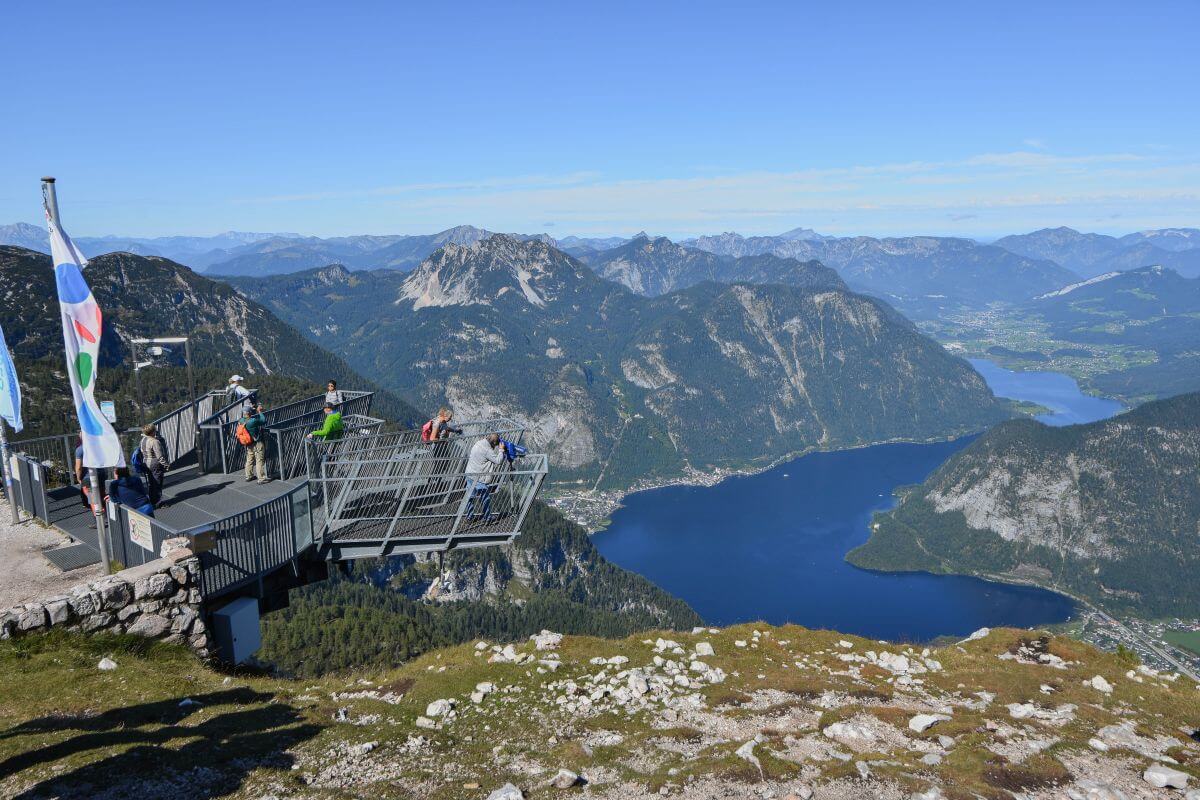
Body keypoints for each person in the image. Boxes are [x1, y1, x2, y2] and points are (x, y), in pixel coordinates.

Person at [463, 433, 505, 521]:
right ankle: (487, 518)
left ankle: (469, 516)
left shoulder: (478, 443)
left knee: (470, 497)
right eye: (496, 444)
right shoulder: (487, 450)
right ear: (493, 443)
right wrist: (501, 450)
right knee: (485, 497)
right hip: (479, 477)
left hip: (470, 473)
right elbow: (498, 461)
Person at [239, 403, 270, 484]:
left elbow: (246, 416)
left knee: (249, 459)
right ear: (250, 413)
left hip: (248, 443)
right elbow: (263, 420)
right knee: (259, 460)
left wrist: (251, 409)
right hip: (257, 443)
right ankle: (261, 479)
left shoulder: (241, 421)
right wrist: (259, 411)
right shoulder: (253, 421)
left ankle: (249, 476)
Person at [139, 423, 168, 508]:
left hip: (146, 463)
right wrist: (166, 465)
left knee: (151, 483)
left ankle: (152, 501)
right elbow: (159, 456)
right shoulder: (155, 441)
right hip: (155, 464)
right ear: (152, 432)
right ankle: (159, 503)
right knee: (157, 483)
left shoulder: (142, 440)